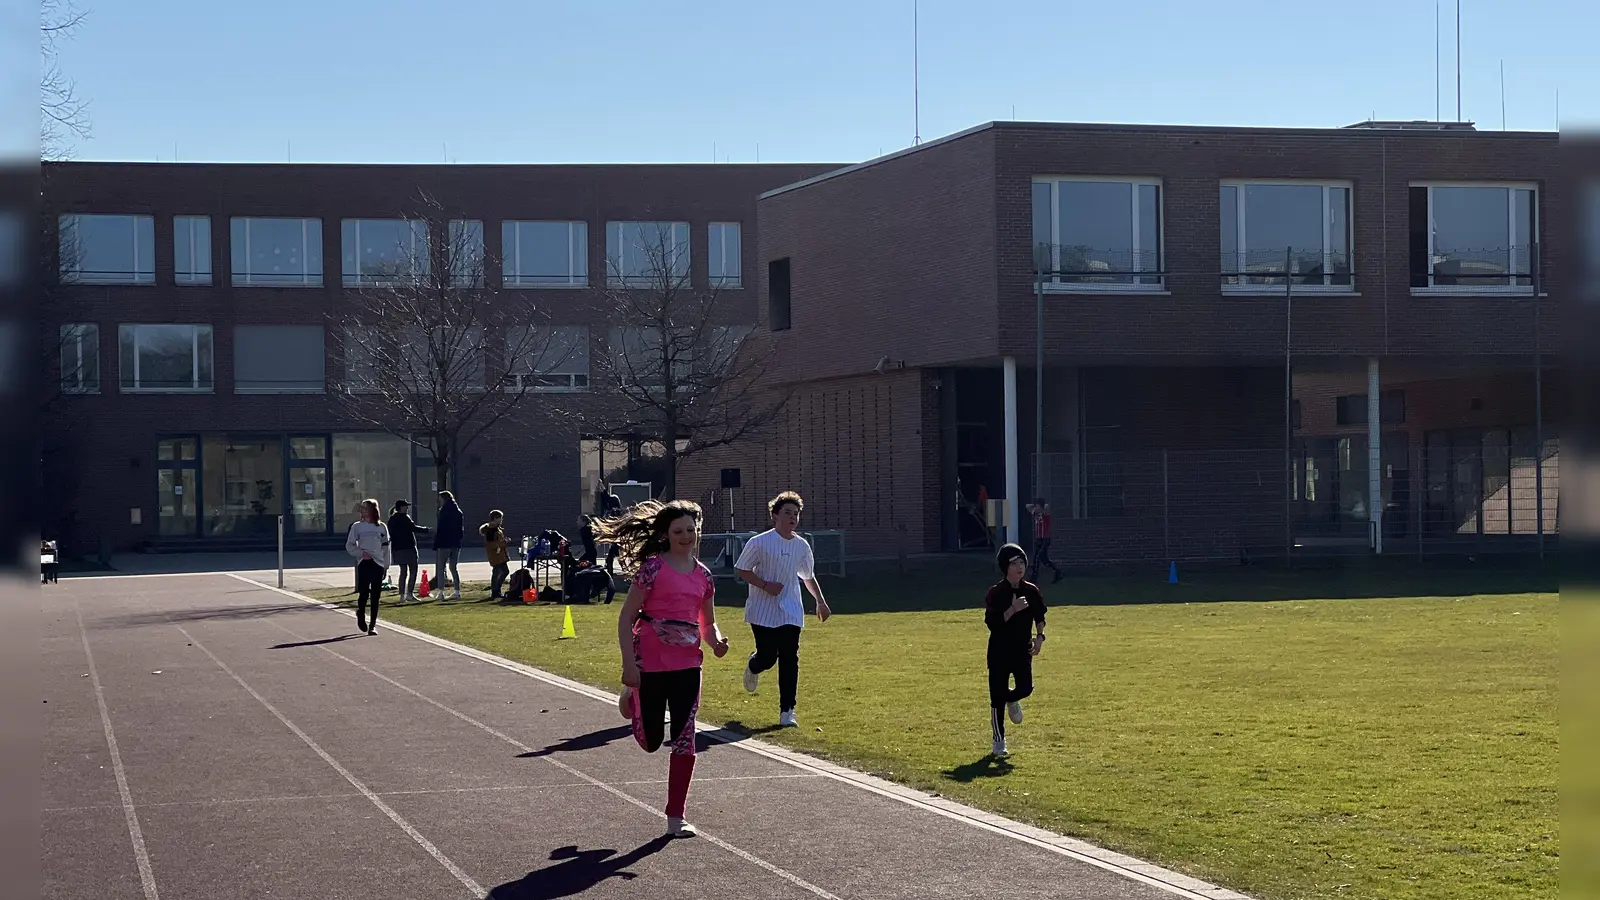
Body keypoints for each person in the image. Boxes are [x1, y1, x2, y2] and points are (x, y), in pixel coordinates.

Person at [599, 500, 730, 838]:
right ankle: (632, 698)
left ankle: (676, 817)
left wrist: (716, 641)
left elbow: (707, 622)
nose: (686, 536)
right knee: (650, 741)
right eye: (678, 531)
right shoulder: (653, 569)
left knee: (685, 738)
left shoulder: (704, 576)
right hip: (650, 665)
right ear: (667, 534)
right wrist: (629, 665)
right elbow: (626, 617)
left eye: (691, 530)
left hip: (688, 666)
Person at [734, 491, 830, 728]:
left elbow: (808, 576)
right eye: (787, 513)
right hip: (762, 610)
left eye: (795, 514)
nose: (792, 518)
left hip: (791, 610)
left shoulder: (801, 546)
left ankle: (787, 711)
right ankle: (754, 664)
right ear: (775, 515)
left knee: (790, 657)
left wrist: (820, 601)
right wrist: (765, 585)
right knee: (768, 657)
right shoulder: (759, 542)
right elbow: (742, 569)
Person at [984, 543, 1047, 758]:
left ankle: (1012, 699)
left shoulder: (1031, 590)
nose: (1020, 567)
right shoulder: (995, 593)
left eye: (1022, 562)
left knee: (1026, 688)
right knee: (996, 699)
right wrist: (1012, 609)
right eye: (1014, 563)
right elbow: (992, 624)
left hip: (1022, 650)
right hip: (999, 651)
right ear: (1005, 566)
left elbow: (1040, 616)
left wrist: (1040, 638)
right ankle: (998, 742)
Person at [345, 499, 392, 636]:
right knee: (364, 593)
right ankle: (360, 613)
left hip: (378, 564)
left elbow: (386, 547)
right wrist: (360, 553)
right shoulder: (357, 527)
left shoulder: (381, 527)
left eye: (366, 508)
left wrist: (385, 566)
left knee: (376, 596)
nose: (363, 510)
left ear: (373, 510)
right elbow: (350, 545)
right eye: (362, 508)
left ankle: (372, 625)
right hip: (364, 563)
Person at [387, 500, 430, 601]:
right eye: (405, 506)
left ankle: (402, 595)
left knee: (403, 572)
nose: (407, 508)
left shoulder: (392, 519)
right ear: (401, 507)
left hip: (397, 549)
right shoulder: (405, 518)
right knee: (413, 571)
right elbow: (413, 528)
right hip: (408, 548)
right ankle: (409, 593)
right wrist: (426, 530)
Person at [433, 490, 464, 600]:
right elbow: (460, 529)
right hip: (455, 543)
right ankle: (457, 591)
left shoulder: (443, 512)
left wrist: (436, 543)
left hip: (444, 543)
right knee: (453, 568)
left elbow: (441, 529)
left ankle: (441, 592)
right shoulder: (458, 512)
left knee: (441, 568)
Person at [1025, 499, 1062, 584]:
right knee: (1040, 559)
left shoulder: (1045, 515)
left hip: (1045, 539)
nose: (1036, 508)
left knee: (1039, 557)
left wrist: (1041, 506)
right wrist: (1035, 506)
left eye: (1038, 506)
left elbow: (1047, 507)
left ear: (1041, 507)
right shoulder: (1036, 514)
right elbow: (1027, 506)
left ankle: (1035, 577)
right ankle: (1057, 572)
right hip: (1038, 539)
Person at [481, 510, 510, 600]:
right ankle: (496, 591)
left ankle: (496, 591)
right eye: (500, 518)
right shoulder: (492, 530)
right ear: (495, 518)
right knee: (503, 571)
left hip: (499, 555)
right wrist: (504, 542)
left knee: (497, 572)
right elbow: (491, 544)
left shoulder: (496, 529)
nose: (501, 520)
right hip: (496, 555)